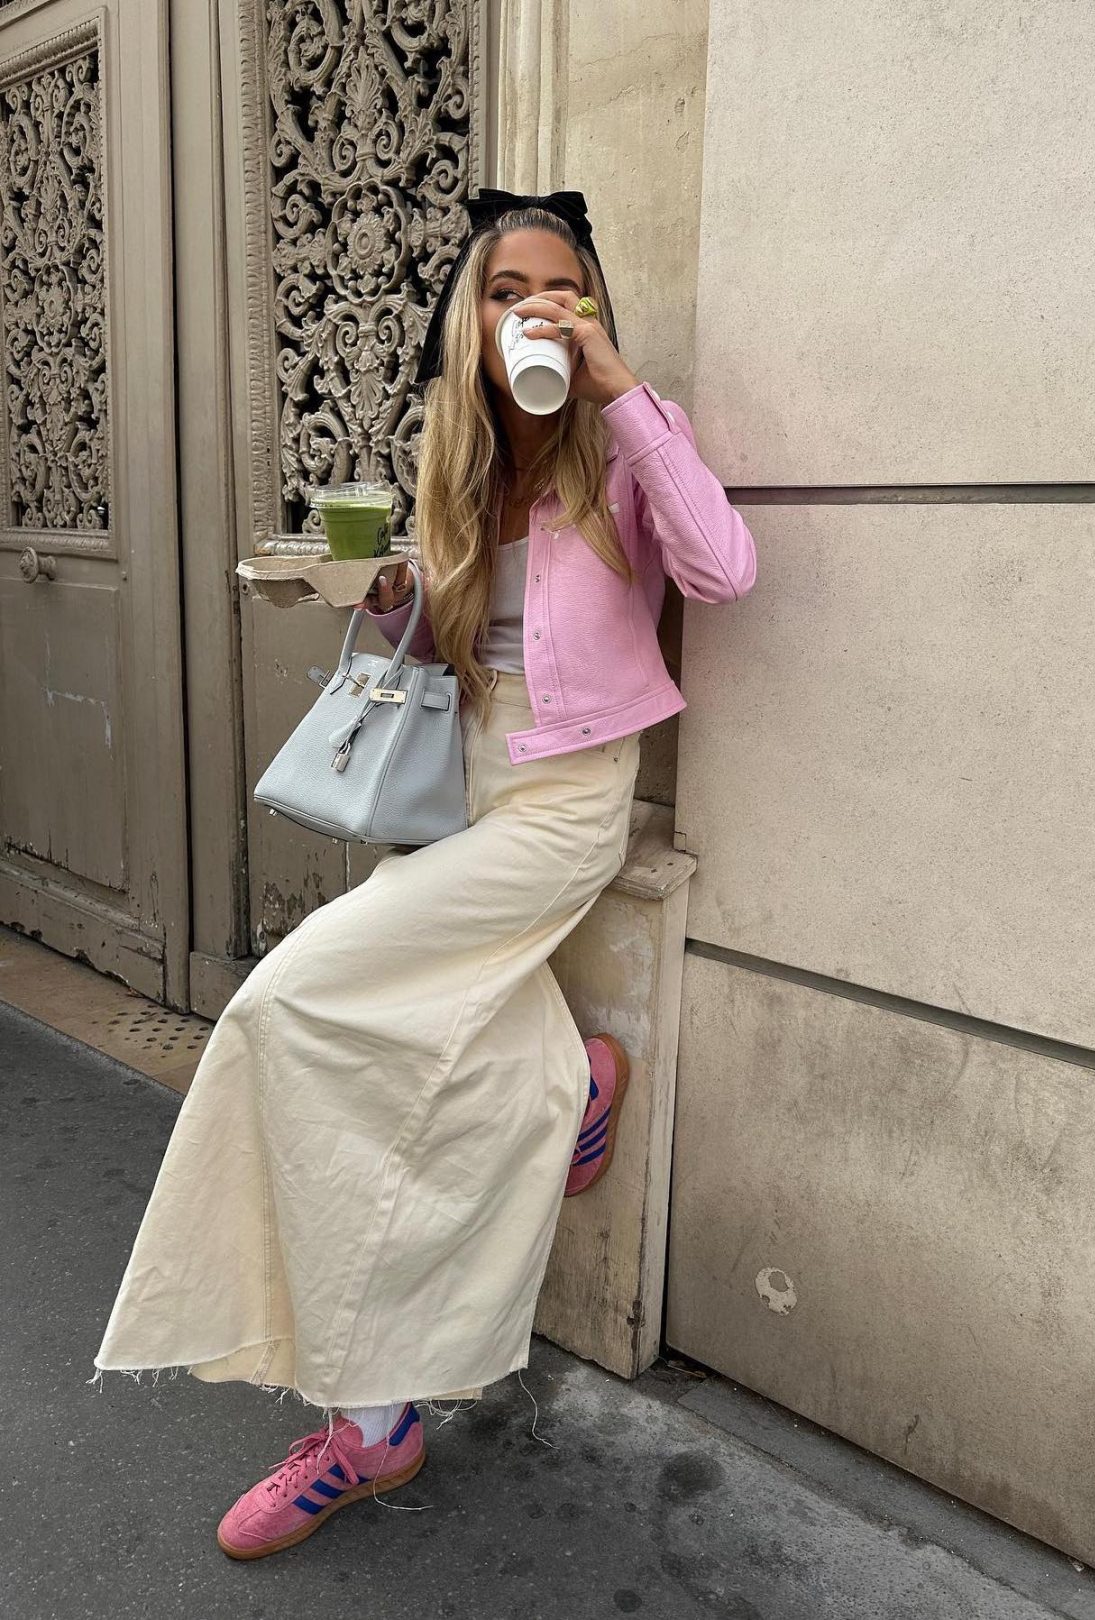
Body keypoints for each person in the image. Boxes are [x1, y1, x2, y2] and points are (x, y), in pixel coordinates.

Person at [89, 187, 757, 1560]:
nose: (535, 310)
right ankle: (554, 1096)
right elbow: (461, 658)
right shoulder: (456, 459)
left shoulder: (629, 449)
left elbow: (725, 570)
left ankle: (369, 1429)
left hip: (562, 800)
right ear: (476, 313)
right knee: (438, 1068)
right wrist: (398, 606)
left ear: (591, 310)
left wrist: (625, 390)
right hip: (460, 780)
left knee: (286, 1008)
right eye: (509, 287)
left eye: (562, 288)